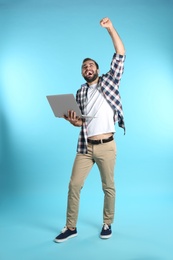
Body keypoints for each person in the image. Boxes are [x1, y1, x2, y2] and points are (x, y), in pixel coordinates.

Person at [54, 17, 126, 243]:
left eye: (91, 65)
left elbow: (120, 53)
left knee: (108, 187)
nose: (88, 68)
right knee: (74, 185)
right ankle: (70, 227)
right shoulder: (80, 93)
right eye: (84, 66)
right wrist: (71, 120)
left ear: (98, 69)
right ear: (82, 72)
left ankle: (107, 222)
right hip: (85, 147)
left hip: (106, 145)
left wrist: (110, 28)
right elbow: (81, 123)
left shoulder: (110, 81)